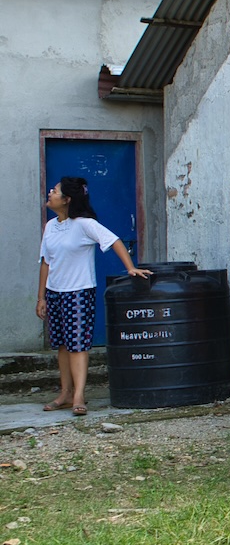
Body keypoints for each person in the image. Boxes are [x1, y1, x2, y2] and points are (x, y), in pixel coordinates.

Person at [35, 176, 151, 416]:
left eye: (54, 191)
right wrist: (41, 297)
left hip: (79, 291)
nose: (50, 193)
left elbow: (114, 240)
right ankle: (65, 393)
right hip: (55, 292)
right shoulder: (50, 226)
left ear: (66, 199)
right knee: (62, 345)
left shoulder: (84, 224)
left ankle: (79, 395)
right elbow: (46, 262)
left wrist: (130, 267)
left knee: (78, 345)